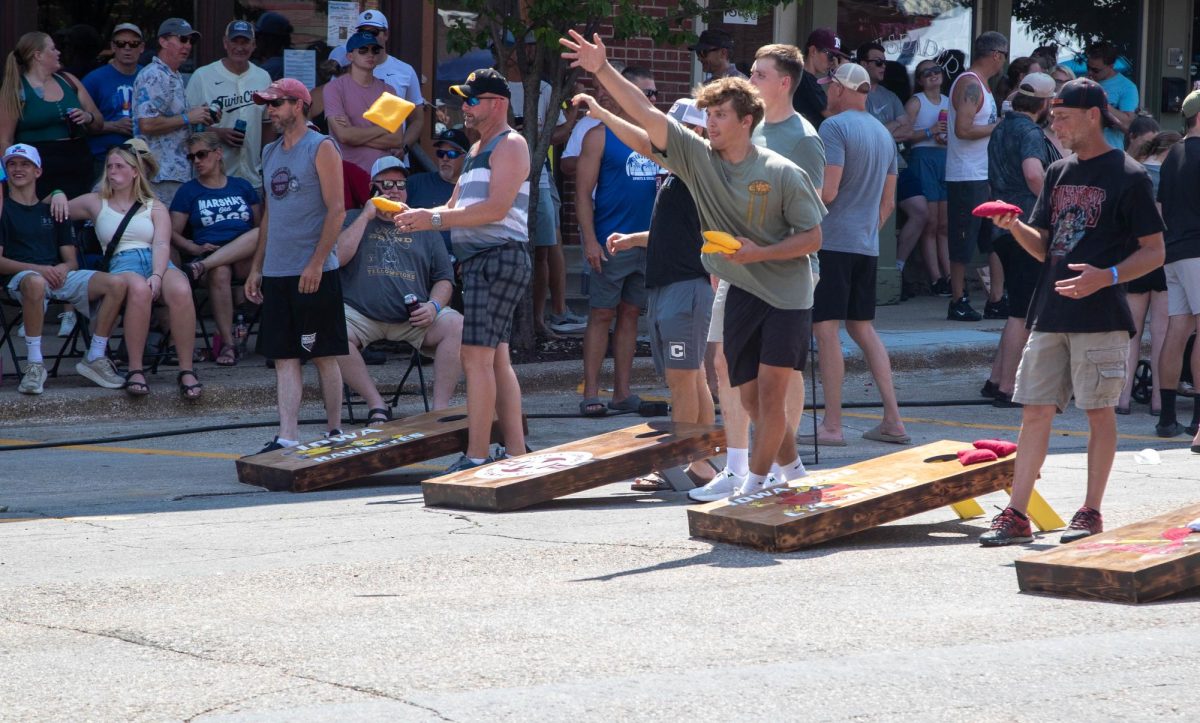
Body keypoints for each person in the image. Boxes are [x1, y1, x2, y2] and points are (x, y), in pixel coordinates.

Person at [561, 31, 825, 497]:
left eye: (720, 114)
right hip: (741, 287)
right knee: (745, 397)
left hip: (786, 291)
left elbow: (814, 236)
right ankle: (795, 472)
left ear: (746, 121)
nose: (711, 122)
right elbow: (647, 119)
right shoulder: (699, 160)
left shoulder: (782, 169)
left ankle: (755, 485)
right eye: (707, 114)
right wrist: (602, 71)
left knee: (768, 395)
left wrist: (758, 252)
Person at [981, 78, 1165, 546]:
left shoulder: (1130, 176)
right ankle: (1017, 512)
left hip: (1102, 315)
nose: (1055, 125)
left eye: (1063, 117)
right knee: (1034, 412)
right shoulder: (1060, 172)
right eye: (1053, 117)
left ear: (1093, 115)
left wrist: (1108, 275)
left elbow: (1155, 251)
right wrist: (1016, 225)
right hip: (1050, 312)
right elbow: (1045, 247)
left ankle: (1090, 510)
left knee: (1099, 412)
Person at [695, 42, 824, 496]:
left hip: (784, 274)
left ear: (784, 82)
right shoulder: (745, 130)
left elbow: (808, 212)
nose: (751, 79)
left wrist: (760, 252)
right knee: (738, 379)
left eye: (760, 74)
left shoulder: (802, 138)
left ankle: (755, 476)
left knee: (776, 384)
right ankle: (778, 470)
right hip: (738, 271)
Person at [575, 96, 718, 491]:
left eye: (673, 127)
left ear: (695, 132)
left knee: (683, 380)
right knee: (693, 379)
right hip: (672, 285)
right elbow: (678, 232)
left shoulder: (696, 165)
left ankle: (690, 463)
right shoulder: (677, 173)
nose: (662, 134)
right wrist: (636, 239)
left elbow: (639, 140)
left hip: (686, 288)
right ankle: (704, 458)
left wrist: (604, 114)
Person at [395, 68, 531, 472]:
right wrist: (418, 214)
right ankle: (517, 452)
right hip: (482, 261)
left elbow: (494, 210)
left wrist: (431, 221)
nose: (464, 108)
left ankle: (476, 456)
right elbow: (454, 209)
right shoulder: (475, 151)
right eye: (463, 100)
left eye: (472, 100)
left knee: (475, 357)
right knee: (496, 359)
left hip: (498, 256)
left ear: (498, 104)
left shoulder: (511, 144)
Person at [800, 63, 905, 447]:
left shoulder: (834, 127)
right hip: (865, 244)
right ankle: (893, 419)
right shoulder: (883, 133)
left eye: (830, 87)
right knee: (863, 328)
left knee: (825, 329)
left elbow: (828, 192)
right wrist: (865, 231)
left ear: (843, 90)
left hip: (832, 242)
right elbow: (889, 203)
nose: (826, 92)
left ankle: (832, 426)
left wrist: (791, 210)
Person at [245, 79, 347, 451]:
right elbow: (270, 215)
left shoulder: (321, 146)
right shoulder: (270, 152)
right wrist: (257, 266)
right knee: (284, 356)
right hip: (277, 270)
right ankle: (287, 435)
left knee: (322, 353)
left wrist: (317, 263)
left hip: (315, 270)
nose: (269, 110)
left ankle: (335, 430)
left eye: (276, 104)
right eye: (267, 104)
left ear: (299, 105)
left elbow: (337, 210)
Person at [67, 139, 202, 399]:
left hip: (155, 259)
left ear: (135, 172)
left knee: (182, 288)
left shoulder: (154, 205)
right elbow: (48, 209)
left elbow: (162, 242)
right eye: (109, 166)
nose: (112, 171)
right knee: (138, 290)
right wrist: (59, 193)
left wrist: (158, 274)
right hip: (122, 260)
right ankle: (135, 369)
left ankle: (186, 369)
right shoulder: (96, 201)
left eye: (119, 166)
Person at [336, 157, 463, 420]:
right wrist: (366, 215)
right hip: (360, 315)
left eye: (400, 184)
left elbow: (444, 278)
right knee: (330, 331)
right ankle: (377, 404)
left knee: (457, 325)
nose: (394, 190)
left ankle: (440, 410)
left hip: (413, 318)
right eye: (386, 184)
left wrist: (434, 306)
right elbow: (337, 258)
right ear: (372, 188)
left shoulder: (424, 224)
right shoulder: (352, 218)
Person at [0, 144, 127, 394]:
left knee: (117, 283)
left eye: (25, 164)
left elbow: (72, 261)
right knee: (35, 281)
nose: (18, 169)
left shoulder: (54, 207)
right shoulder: (3, 209)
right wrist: (40, 269)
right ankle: (35, 364)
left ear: (38, 171)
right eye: (12, 164)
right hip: (21, 279)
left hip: (57, 276)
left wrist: (61, 268)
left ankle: (95, 356)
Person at [575, 67, 659, 417]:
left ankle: (623, 393)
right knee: (601, 314)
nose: (653, 99)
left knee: (629, 315)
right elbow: (581, 195)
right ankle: (591, 392)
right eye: (647, 93)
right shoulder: (598, 136)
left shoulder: (654, 135)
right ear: (627, 93)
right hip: (610, 242)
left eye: (655, 93)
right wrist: (590, 240)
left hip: (646, 243)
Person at [982, 72, 1061, 408]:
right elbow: (1033, 173)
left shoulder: (1001, 126)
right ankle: (1007, 387)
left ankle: (995, 379)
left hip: (1000, 224)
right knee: (1023, 313)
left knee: (1016, 308)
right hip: (1024, 226)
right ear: (1044, 103)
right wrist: (1055, 206)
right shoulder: (1028, 130)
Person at [170, 132, 261, 366]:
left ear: (218, 154)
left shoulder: (242, 186)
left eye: (201, 154)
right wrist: (191, 246)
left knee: (261, 234)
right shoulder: (188, 191)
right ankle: (229, 345)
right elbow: (170, 232)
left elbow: (261, 227)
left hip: (245, 256)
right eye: (192, 158)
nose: (197, 161)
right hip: (209, 252)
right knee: (220, 271)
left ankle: (202, 267)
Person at [945, 31, 1006, 322]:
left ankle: (996, 299)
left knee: (993, 239)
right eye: (1003, 56)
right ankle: (958, 300)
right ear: (995, 55)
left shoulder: (984, 86)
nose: (1004, 62)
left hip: (983, 175)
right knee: (962, 242)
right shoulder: (970, 84)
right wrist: (998, 127)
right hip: (966, 176)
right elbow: (963, 130)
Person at [0, 31, 104, 199]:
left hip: (76, 160)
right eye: (53, 49)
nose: (59, 53)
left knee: (76, 218)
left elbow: (99, 123)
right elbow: (5, 140)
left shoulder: (69, 80)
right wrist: (10, 178)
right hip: (37, 166)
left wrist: (87, 117)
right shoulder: (15, 89)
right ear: (38, 55)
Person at [1116, 128, 1174, 416]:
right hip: (1165, 254)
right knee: (1162, 331)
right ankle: (1158, 401)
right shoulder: (1176, 172)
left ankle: (1123, 398)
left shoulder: (1135, 171)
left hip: (1135, 254)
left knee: (1132, 332)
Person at [1154, 90, 1200, 444]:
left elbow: (1160, 206)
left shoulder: (1172, 156)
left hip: (1174, 250)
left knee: (1178, 329)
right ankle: (1198, 422)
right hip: (1197, 251)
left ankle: (1167, 418)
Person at [185, 20, 273, 191]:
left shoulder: (263, 77)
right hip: (212, 180)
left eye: (245, 42)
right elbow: (186, 127)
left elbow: (268, 124)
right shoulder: (202, 76)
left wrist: (265, 161)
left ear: (253, 45)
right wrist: (218, 134)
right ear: (225, 43)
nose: (240, 47)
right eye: (235, 41)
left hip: (252, 179)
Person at [134, 18, 214, 206]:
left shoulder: (173, 74)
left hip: (177, 172)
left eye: (190, 41)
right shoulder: (154, 75)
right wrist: (188, 117)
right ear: (163, 41)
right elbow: (146, 124)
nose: (187, 45)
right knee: (164, 231)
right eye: (182, 39)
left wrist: (199, 115)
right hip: (160, 174)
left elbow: (173, 119)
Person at [327, 9, 424, 153]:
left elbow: (417, 120)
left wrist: (404, 147)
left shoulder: (405, 71)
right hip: (350, 160)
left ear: (386, 35)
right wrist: (381, 132)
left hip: (391, 161)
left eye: (374, 32)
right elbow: (342, 133)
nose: (368, 36)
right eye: (362, 32)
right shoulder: (344, 72)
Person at [897, 59, 951, 297]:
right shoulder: (915, 102)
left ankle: (949, 276)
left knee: (943, 224)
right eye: (925, 72)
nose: (932, 75)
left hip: (944, 158)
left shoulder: (950, 102)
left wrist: (945, 136)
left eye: (936, 70)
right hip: (922, 158)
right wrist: (930, 131)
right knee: (929, 222)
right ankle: (936, 278)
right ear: (918, 79)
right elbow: (904, 135)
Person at [324, 31, 405, 175]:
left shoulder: (389, 91)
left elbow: (396, 140)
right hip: (347, 174)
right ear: (350, 56)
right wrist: (383, 128)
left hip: (382, 174)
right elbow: (343, 136)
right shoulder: (334, 88)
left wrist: (354, 135)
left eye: (374, 50)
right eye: (363, 50)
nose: (370, 54)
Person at [82, 23, 143, 179]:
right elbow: (80, 124)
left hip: (142, 157)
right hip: (104, 158)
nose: (127, 48)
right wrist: (114, 126)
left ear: (141, 47)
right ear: (113, 47)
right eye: (121, 43)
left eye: (133, 43)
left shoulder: (149, 76)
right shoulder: (94, 80)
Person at [406, 127, 468, 254]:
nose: (445, 158)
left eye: (452, 154)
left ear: (466, 157)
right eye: (441, 153)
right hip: (417, 257)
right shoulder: (415, 183)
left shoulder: (471, 189)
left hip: (459, 261)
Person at [1086, 42, 1139, 150]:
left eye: (1096, 70)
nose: (1090, 72)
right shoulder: (1084, 82)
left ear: (1111, 66)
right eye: (1088, 67)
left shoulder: (1127, 87)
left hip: (1109, 151)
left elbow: (1128, 125)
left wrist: (1102, 102)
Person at [793, 28, 850, 129]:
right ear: (813, 51)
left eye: (836, 57)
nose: (833, 61)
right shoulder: (805, 79)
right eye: (830, 55)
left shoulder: (804, 77)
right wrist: (841, 75)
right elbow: (835, 117)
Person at [856, 42, 911, 142]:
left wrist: (879, 134)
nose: (884, 66)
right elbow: (866, 136)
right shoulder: (853, 95)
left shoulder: (891, 96)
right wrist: (895, 124)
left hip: (894, 157)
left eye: (885, 62)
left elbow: (908, 131)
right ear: (864, 64)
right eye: (878, 62)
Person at [252, 12, 292, 81]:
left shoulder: (272, 66)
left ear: (268, 39)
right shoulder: (293, 60)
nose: (255, 41)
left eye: (257, 37)